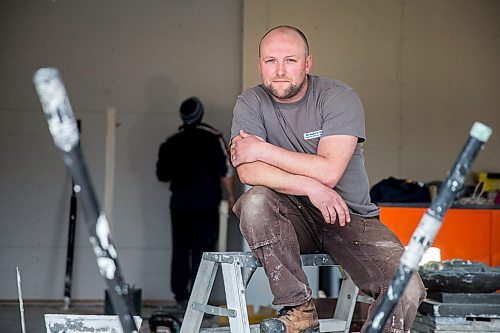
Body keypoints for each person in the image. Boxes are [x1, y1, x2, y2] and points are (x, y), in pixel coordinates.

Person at [230, 26, 426, 333]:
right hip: (290, 217)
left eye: (290, 60)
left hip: (348, 216)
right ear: (260, 64)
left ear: (308, 64)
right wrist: (309, 186)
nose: (280, 71)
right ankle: (298, 308)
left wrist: (263, 149)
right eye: (270, 61)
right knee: (254, 201)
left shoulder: (338, 98)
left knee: (407, 286)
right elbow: (248, 171)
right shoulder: (250, 102)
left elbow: (329, 171)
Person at [156, 96, 235, 308]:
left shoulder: (171, 143)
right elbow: (226, 170)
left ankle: (181, 297)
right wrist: (230, 196)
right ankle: (201, 302)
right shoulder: (213, 138)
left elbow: (162, 175)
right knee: (204, 251)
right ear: (201, 113)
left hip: (180, 205)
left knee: (180, 249)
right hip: (206, 205)